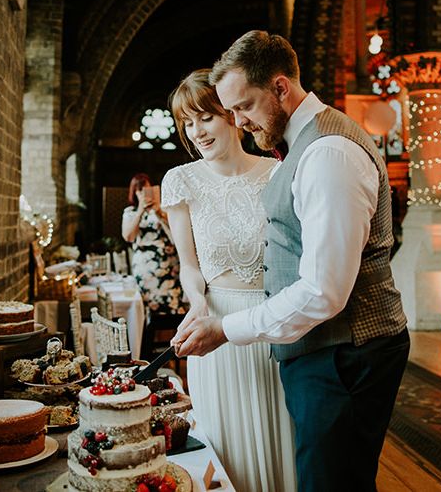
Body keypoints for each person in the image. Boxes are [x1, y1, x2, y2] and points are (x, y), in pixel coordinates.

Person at [172, 30, 410, 492]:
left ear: (280, 88)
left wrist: (226, 329)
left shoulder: (328, 153)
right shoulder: (305, 144)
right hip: (321, 347)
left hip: (346, 352)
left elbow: (324, 290)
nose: (239, 122)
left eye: (243, 107)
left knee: (331, 482)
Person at [161, 69, 295, 492]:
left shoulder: (276, 172)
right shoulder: (181, 181)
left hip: (272, 321)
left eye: (205, 117)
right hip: (214, 327)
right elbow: (189, 265)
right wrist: (196, 302)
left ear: (232, 115)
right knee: (228, 450)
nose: (196, 131)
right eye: (187, 122)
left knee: (280, 441)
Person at [121, 173, 185, 316]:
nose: (144, 194)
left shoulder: (165, 211)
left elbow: (176, 237)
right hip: (145, 267)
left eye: (147, 190)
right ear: (135, 193)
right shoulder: (130, 213)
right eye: (140, 190)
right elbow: (128, 237)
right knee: (146, 308)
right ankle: (147, 336)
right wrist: (140, 211)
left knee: (172, 305)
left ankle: (174, 337)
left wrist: (159, 214)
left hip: (168, 265)